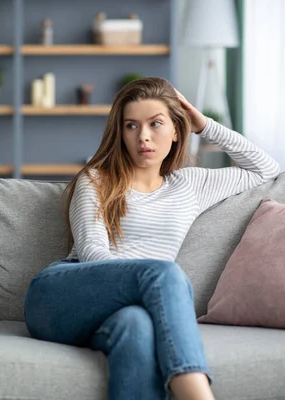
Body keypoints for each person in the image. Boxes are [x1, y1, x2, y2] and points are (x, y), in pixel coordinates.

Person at [24, 77, 280, 400]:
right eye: (131, 126)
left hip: (124, 312)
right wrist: (153, 284)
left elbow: (266, 169)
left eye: (155, 124)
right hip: (60, 295)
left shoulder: (189, 185)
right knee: (165, 273)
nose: (143, 136)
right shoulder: (96, 180)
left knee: (138, 327)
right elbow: (91, 252)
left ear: (176, 131)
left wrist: (203, 125)